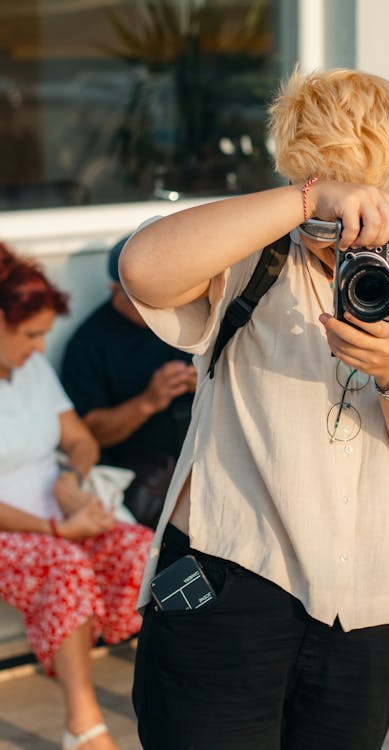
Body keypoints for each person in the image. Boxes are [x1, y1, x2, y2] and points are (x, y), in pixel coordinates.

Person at [120, 69, 389, 750]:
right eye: (335, 200)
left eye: (376, 192)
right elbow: (143, 267)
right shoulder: (251, 252)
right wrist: (306, 201)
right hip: (225, 584)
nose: (352, 227)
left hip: (365, 614)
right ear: (298, 180)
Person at [0, 241, 154, 750]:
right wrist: (54, 528)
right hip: (17, 530)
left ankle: (173, 691)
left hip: (60, 516)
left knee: (141, 547)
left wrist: (73, 478)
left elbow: (80, 438)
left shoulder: (31, 371)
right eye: (31, 334)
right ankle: (81, 722)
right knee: (65, 565)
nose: (42, 346)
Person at [61, 236, 196, 529]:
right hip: (142, 481)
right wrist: (148, 401)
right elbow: (90, 433)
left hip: (205, 463)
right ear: (115, 291)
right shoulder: (89, 343)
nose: (157, 306)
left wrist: (206, 383)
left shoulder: (189, 315)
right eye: (143, 297)